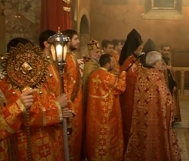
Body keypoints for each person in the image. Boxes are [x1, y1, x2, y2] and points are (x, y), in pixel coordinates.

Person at [0, 37, 71, 160]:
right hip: (29, 142)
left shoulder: (32, 78)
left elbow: (46, 98)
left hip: (46, 136)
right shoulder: (11, 83)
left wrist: (60, 110)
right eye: (27, 55)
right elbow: (25, 115)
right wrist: (56, 107)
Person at [124, 51, 181, 161]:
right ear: (156, 63)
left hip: (140, 117)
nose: (161, 64)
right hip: (155, 118)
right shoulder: (157, 77)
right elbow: (166, 100)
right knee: (155, 140)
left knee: (142, 139)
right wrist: (170, 111)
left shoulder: (141, 75)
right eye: (160, 62)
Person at [85, 54, 126, 160]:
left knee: (96, 137)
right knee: (106, 138)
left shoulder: (93, 75)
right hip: (106, 115)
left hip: (94, 113)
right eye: (112, 62)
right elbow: (121, 88)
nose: (113, 64)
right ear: (108, 64)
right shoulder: (109, 77)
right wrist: (123, 75)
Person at [118, 28, 143, 149]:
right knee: (128, 126)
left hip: (135, 100)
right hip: (128, 100)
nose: (141, 48)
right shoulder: (128, 62)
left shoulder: (135, 60)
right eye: (139, 46)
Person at [63, 29, 83, 161]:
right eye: (76, 39)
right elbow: (69, 84)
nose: (78, 41)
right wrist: (69, 105)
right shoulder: (68, 58)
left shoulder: (69, 56)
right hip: (73, 105)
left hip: (74, 102)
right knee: (73, 136)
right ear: (68, 41)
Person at [161, 44, 181, 122]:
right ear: (161, 51)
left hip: (170, 86)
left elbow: (172, 74)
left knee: (170, 103)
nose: (167, 52)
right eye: (165, 50)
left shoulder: (168, 60)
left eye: (168, 50)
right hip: (163, 86)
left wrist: (174, 85)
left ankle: (171, 118)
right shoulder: (159, 61)